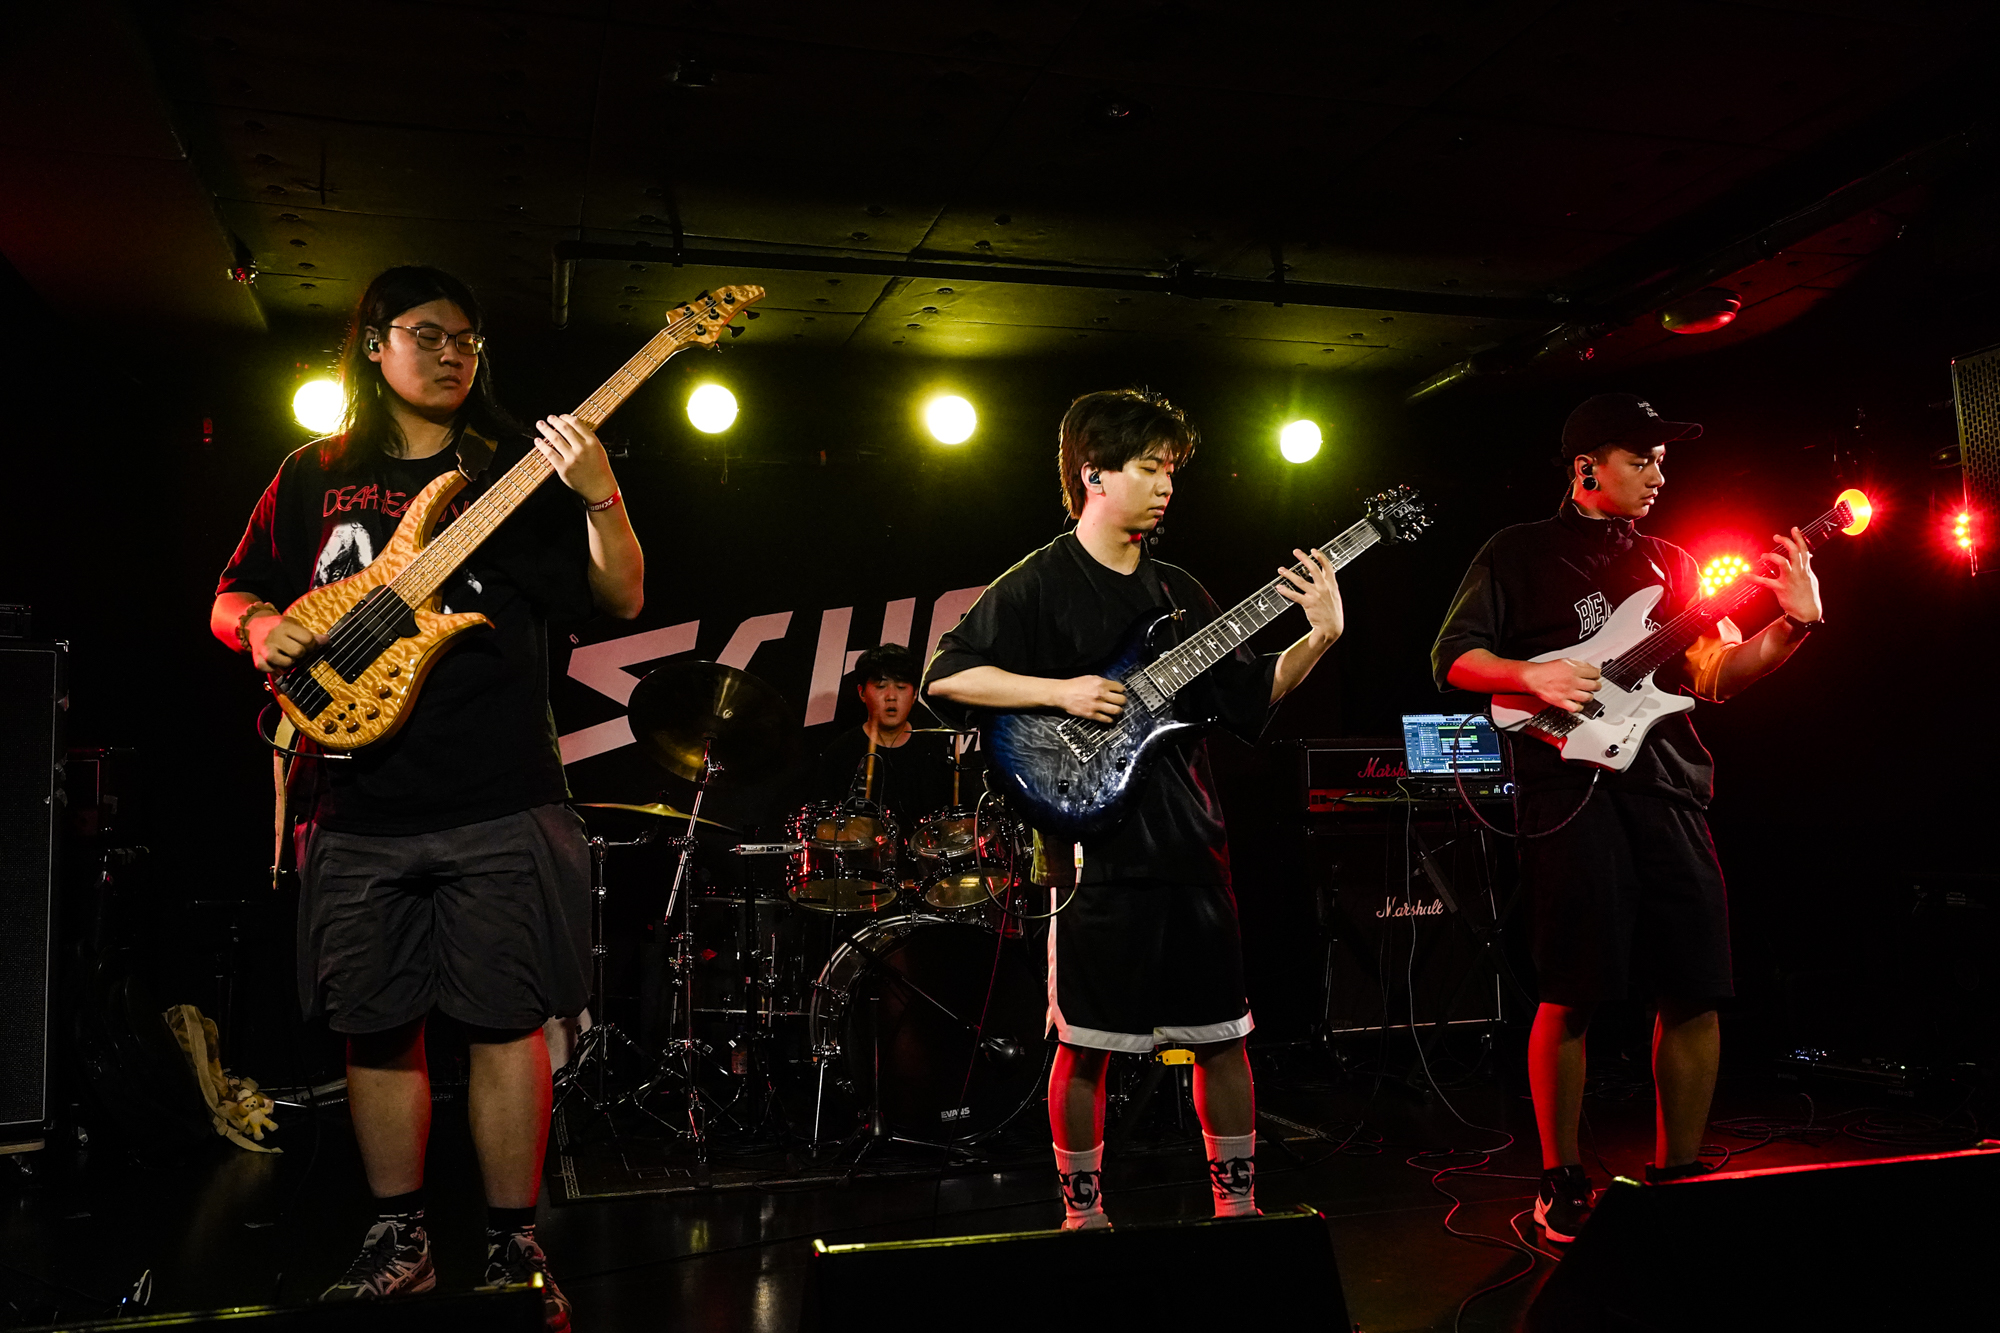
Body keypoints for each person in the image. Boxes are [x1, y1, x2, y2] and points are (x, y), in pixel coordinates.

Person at [211, 266, 645, 1329]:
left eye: (468, 339)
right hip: (356, 796)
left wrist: (599, 490)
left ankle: (510, 1245)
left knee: (506, 1023)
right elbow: (231, 594)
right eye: (429, 334)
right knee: (374, 1026)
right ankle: (398, 1240)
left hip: (499, 790)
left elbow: (624, 593)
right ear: (374, 342)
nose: (454, 354)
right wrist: (262, 628)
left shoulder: (513, 472)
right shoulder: (312, 473)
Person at [924, 388, 1345, 1229]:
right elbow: (948, 675)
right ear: (1094, 475)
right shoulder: (1040, 580)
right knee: (1086, 1044)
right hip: (1092, 854)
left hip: (1192, 844)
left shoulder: (1179, 588)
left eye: (1171, 470)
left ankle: (1239, 1209)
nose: (1166, 485)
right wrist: (1062, 692)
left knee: (1224, 1034)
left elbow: (1248, 695)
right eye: (1150, 467)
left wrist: (1320, 636)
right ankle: (1084, 1217)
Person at [1431, 392, 1823, 1244]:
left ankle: (1678, 1174)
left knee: (1695, 984)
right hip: (1569, 788)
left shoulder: (1674, 563)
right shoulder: (1517, 551)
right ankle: (1560, 1179)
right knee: (1573, 988)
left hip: (1669, 787)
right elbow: (1453, 658)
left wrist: (1792, 625)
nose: (1658, 475)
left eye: (1662, 460)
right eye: (1641, 459)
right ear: (1587, 468)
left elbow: (1715, 674)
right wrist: (1530, 675)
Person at [808, 642, 961, 822]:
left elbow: (959, 823)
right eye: (881, 686)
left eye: (901, 687)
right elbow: (823, 825)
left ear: (914, 694)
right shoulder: (840, 754)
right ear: (862, 693)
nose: (891, 696)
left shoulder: (936, 752)